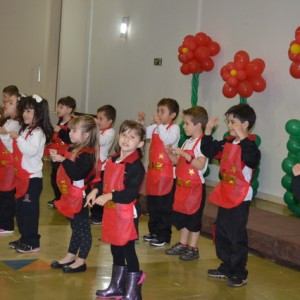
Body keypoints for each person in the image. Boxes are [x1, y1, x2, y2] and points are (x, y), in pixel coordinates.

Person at [201, 103, 261, 288]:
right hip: (226, 193)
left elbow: (253, 159)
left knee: (236, 235)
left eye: (233, 122)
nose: (229, 126)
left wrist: (243, 137)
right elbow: (208, 151)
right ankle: (226, 266)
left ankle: (239, 272)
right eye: (228, 122)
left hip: (240, 196)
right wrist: (208, 131)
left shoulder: (249, 144)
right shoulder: (228, 142)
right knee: (222, 232)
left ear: (245, 124)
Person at [86, 120, 146, 299]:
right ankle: (117, 286)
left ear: (141, 143)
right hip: (112, 212)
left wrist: (109, 196)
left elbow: (129, 193)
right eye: (124, 134)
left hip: (127, 213)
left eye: (132, 137)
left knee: (128, 249)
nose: (127, 139)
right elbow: (104, 180)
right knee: (115, 248)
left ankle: (133, 290)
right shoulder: (113, 159)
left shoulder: (136, 167)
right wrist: (95, 191)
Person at [49, 115, 98, 273]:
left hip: (81, 197)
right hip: (70, 195)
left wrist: (63, 160)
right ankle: (70, 255)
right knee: (75, 227)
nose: (70, 133)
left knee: (83, 229)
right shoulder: (72, 148)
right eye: (70, 130)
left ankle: (81, 260)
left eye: (74, 130)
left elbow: (78, 174)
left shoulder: (87, 154)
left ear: (86, 135)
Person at [7, 95, 53, 253]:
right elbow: (16, 149)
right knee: (20, 211)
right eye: (24, 110)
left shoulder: (38, 133)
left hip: (32, 179)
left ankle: (33, 242)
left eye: (29, 111)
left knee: (29, 212)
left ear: (38, 113)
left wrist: (18, 138)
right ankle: (24, 238)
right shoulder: (25, 130)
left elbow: (31, 151)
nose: (25, 114)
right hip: (22, 178)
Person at [165, 106, 208, 261]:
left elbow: (200, 165)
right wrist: (170, 153)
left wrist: (184, 154)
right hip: (183, 187)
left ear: (198, 125)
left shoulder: (203, 143)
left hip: (196, 189)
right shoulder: (187, 142)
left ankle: (193, 247)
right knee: (182, 216)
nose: (184, 126)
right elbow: (178, 163)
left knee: (194, 219)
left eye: (187, 123)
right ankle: (183, 244)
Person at [138, 98, 180, 247]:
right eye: (158, 111)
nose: (159, 114)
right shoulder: (157, 127)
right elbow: (143, 134)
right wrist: (141, 122)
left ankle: (164, 236)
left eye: (162, 112)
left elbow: (167, 139)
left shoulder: (173, 129)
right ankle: (154, 231)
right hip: (153, 173)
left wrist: (159, 125)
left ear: (172, 115)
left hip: (166, 174)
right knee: (153, 205)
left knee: (164, 207)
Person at [46, 96, 76, 208]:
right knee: (54, 178)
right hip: (56, 154)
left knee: (63, 179)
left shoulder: (73, 123)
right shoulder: (60, 121)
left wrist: (61, 131)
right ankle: (58, 199)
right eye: (58, 106)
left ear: (69, 109)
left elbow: (71, 140)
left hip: (65, 156)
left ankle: (65, 201)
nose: (58, 109)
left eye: (61, 107)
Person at [89, 104, 116, 225]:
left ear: (110, 121)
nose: (98, 121)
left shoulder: (110, 132)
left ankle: (98, 215)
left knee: (99, 190)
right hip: (94, 164)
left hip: (103, 166)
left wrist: (94, 127)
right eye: (97, 118)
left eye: (101, 119)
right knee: (92, 188)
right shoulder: (99, 131)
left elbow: (101, 141)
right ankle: (93, 211)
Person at [0, 92, 23, 234]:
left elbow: (13, 146)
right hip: (3, 163)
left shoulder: (16, 125)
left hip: (10, 164)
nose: (6, 104)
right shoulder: (8, 121)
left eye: (11, 102)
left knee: (7, 195)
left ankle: (7, 225)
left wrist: (4, 135)